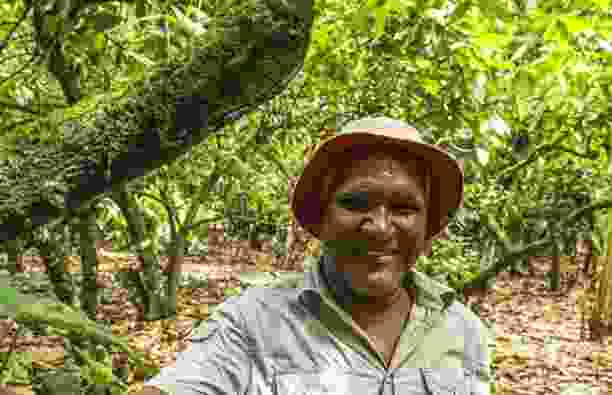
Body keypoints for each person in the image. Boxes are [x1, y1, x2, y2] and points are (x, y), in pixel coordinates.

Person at [140, 117, 493, 395]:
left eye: (404, 208)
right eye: (355, 203)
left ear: (426, 223)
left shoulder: (463, 330)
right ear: (322, 216)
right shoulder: (254, 323)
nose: (380, 227)